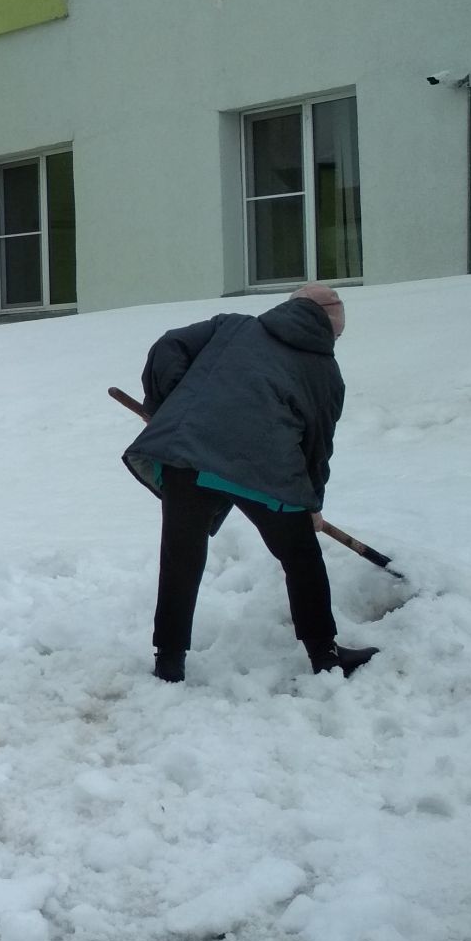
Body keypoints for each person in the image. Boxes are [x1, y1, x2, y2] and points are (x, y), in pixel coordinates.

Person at [123, 282, 376, 683]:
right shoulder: (326, 374)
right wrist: (310, 503)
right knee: (302, 559)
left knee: (181, 559)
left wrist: (169, 404)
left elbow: (170, 346)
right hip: (267, 472)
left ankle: (169, 661)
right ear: (330, 328)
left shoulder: (233, 326)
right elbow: (317, 446)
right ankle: (324, 656)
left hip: (189, 455)